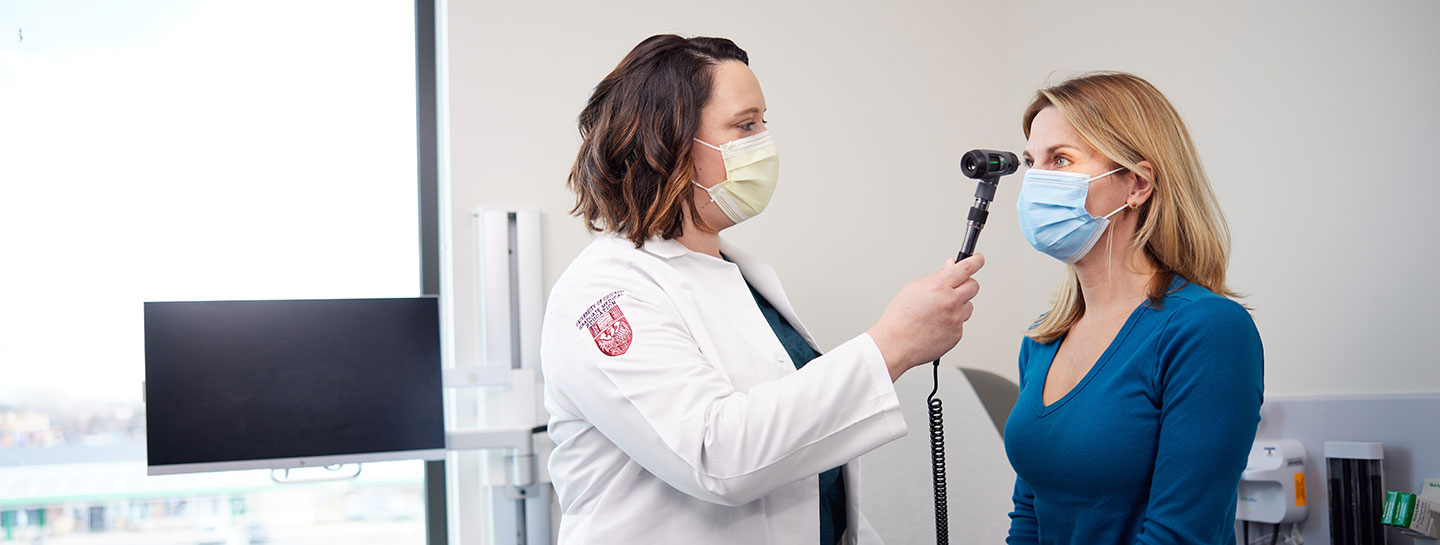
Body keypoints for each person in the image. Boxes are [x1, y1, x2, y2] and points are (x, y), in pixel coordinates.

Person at [539, 35, 984, 545]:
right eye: (745, 125)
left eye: (763, 123)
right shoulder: (605, 293)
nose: (764, 142)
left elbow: (803, 463)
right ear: (667, 144)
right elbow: (715, 455)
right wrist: (893, 345)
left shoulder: (740, 274)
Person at [1002, 71, 1264, 545]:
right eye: (1030, 162)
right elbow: (1029, 518)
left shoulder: (1206, 330)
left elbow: (1181, 536)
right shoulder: (1042, 340)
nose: (1036, 180)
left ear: (1137, 184)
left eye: (1060, 160)